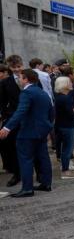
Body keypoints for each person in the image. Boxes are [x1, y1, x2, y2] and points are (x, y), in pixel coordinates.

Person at [0, 69, 53, 197]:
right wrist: (48, 125)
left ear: (26, 79)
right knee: (43, 157)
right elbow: (51, 111)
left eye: (21, 78)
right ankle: (46, 183)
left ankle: (27, 188)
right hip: (42, 130)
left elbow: (20, 111)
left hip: (28, 131)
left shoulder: (26, 93)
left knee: (25, 159)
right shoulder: (42, 93)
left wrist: (7, 128)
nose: (19, 80)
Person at [0, 55, 24, 187]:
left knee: (35, 147)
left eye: (18, 67)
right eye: (13, 67)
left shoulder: (31, 78)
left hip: (30, 119)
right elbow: (2, 102)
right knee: (11, 146)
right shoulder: (5, 82)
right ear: (9, 67)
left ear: (22, 65)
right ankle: (17, 174)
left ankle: (41, 174)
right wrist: (6, 116)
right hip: (13, 118)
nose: (16, 69)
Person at [54, 75, 74, 179]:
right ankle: (65, 171)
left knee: (64, 148)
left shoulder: (58, 97)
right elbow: (70, 113)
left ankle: (64, 167)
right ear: (64, 85)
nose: (71, 84)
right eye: (69, 82)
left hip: (60, 125)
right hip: (67, 126)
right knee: (67, 149)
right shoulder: (65, 98)